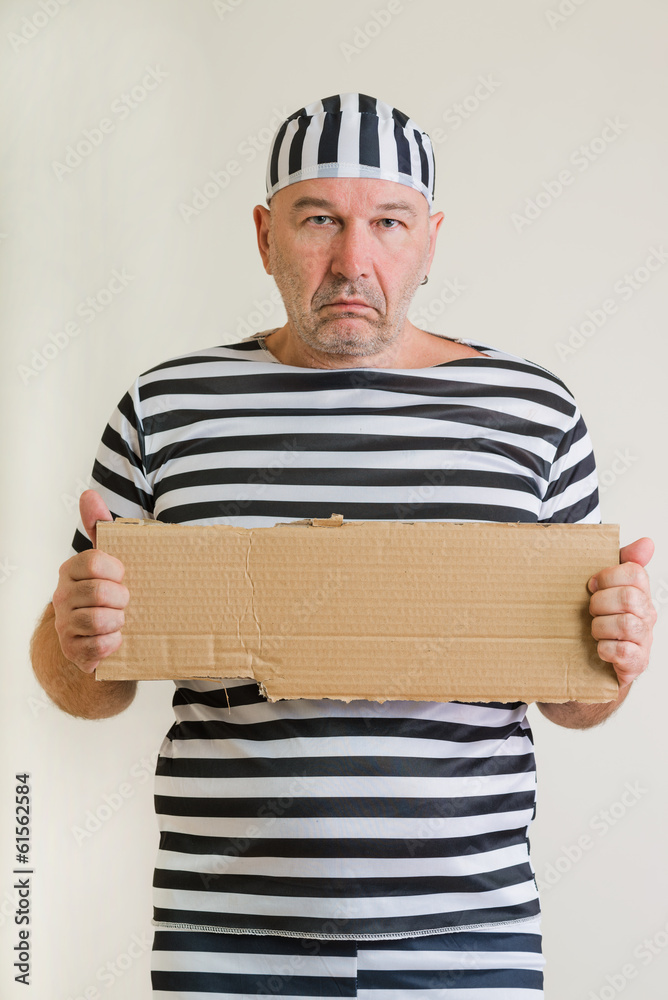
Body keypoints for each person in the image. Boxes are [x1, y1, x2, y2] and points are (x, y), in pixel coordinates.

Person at [31, 93, 656, 998]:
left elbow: (576, 704)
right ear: (265, 235)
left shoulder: (532, 412)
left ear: (431, 239)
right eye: (318, 218)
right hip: (225, 932)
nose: (353, 260)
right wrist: (72, 632)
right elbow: (82, 685)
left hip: (468, 932)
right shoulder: (167, 408)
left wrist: (617, 655)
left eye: (389, 222)